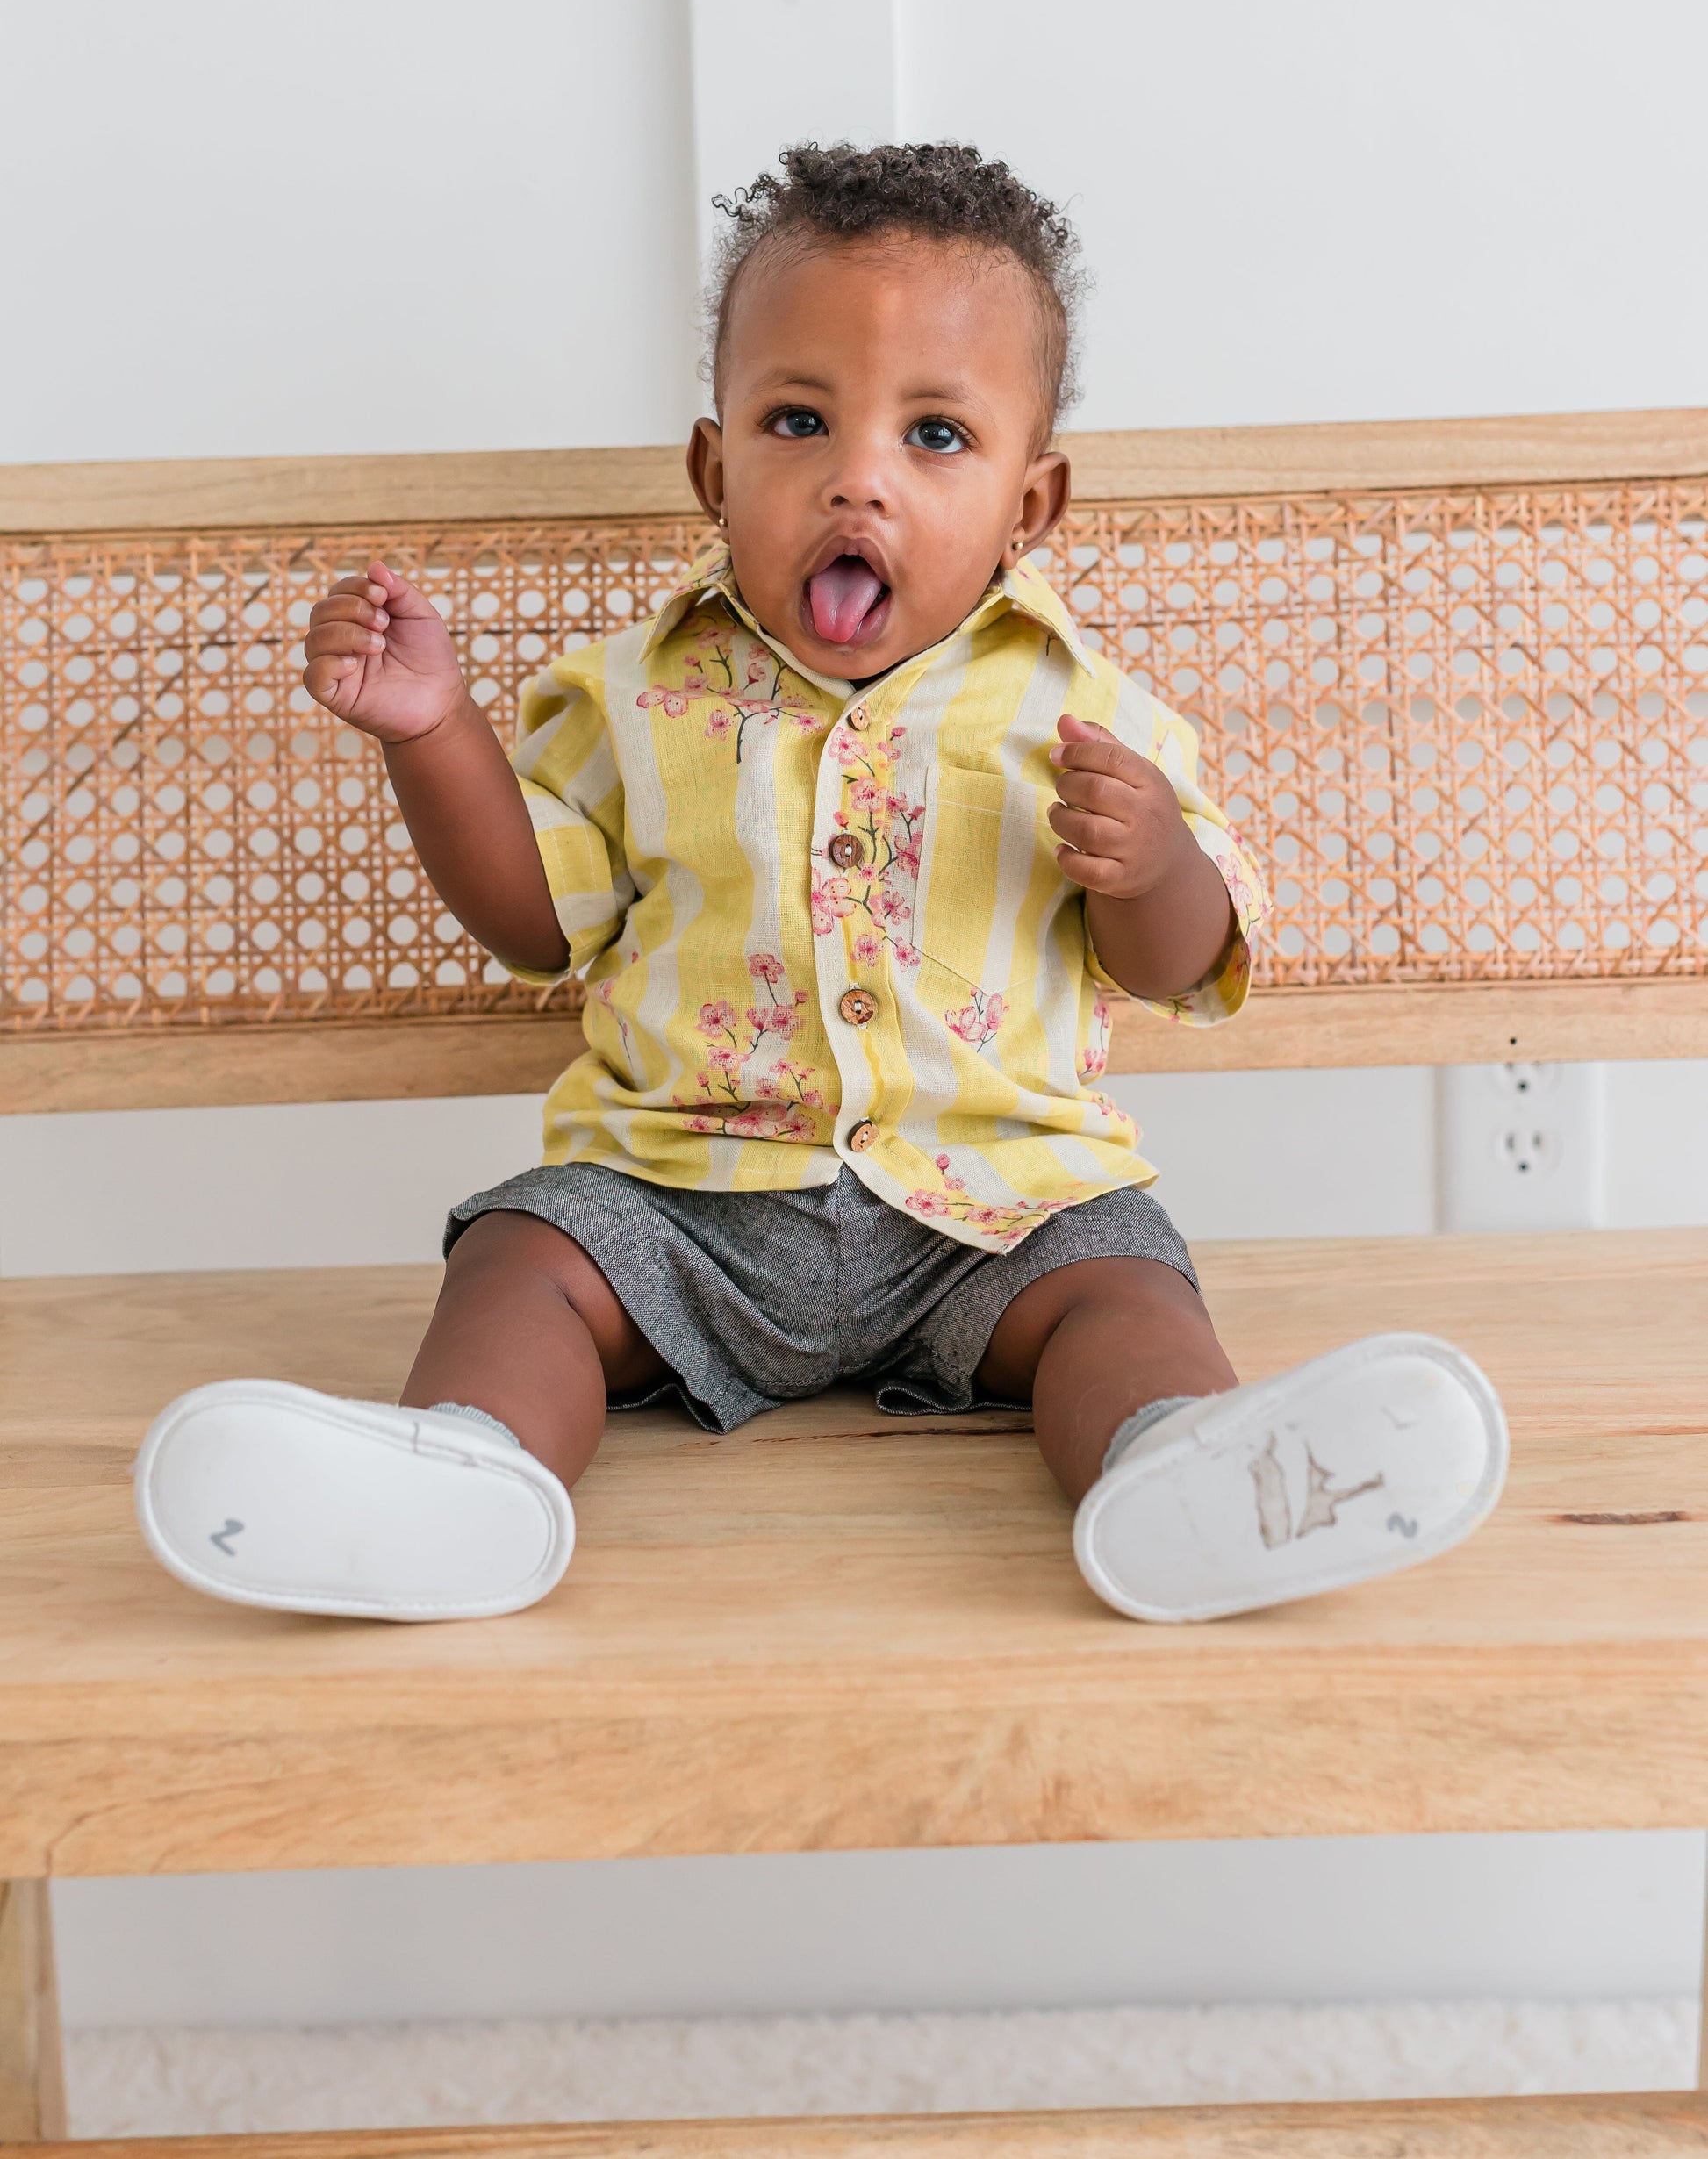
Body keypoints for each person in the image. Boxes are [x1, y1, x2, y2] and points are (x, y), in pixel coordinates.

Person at [133, 141, 1506, 1624]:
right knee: (522, 1254)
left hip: (994, 1208)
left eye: (935, 437)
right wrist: (435, 736)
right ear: (716, 469)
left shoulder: (1085, 710)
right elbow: (536, 922)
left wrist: (1154, 862)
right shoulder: (626, 699)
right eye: (800, 421)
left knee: (1125, 1282)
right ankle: (458, 1481)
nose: (858, 478)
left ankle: (1186, 1472)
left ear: (1028, 504)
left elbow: (1176, 964)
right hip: (680, 1202)